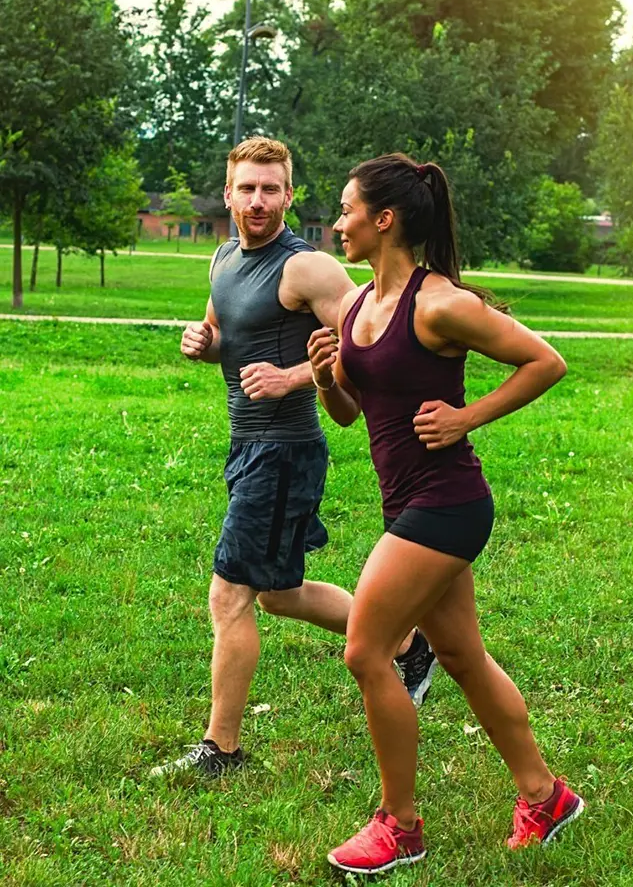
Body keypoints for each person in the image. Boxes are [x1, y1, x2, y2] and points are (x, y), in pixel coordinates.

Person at [307, 153, 585, 873]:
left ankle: (399, 825)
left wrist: (467, 418)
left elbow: (545, 362)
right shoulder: (356, 305)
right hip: (409, 503)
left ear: (385, 219)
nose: (339, 223)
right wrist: (321, 377)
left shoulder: (441, 303)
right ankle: (545, 795)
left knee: (367, 651)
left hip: (448, 504)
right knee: (460, 656)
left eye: (347, 210)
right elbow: (349, 413)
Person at [150, 138, 437, 778]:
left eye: (271, 189)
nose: (257, 201)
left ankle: (220, 750)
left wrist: (289, 378)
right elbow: (224, 330)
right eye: (246, 189)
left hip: (285, 451)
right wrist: (203, 342)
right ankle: (410, 644)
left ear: (288, 194)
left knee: (230, 596)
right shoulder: (224, 259)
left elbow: (364, 349)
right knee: (278, 595)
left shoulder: (307, 268)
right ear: (227, 194)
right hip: (247, 446)